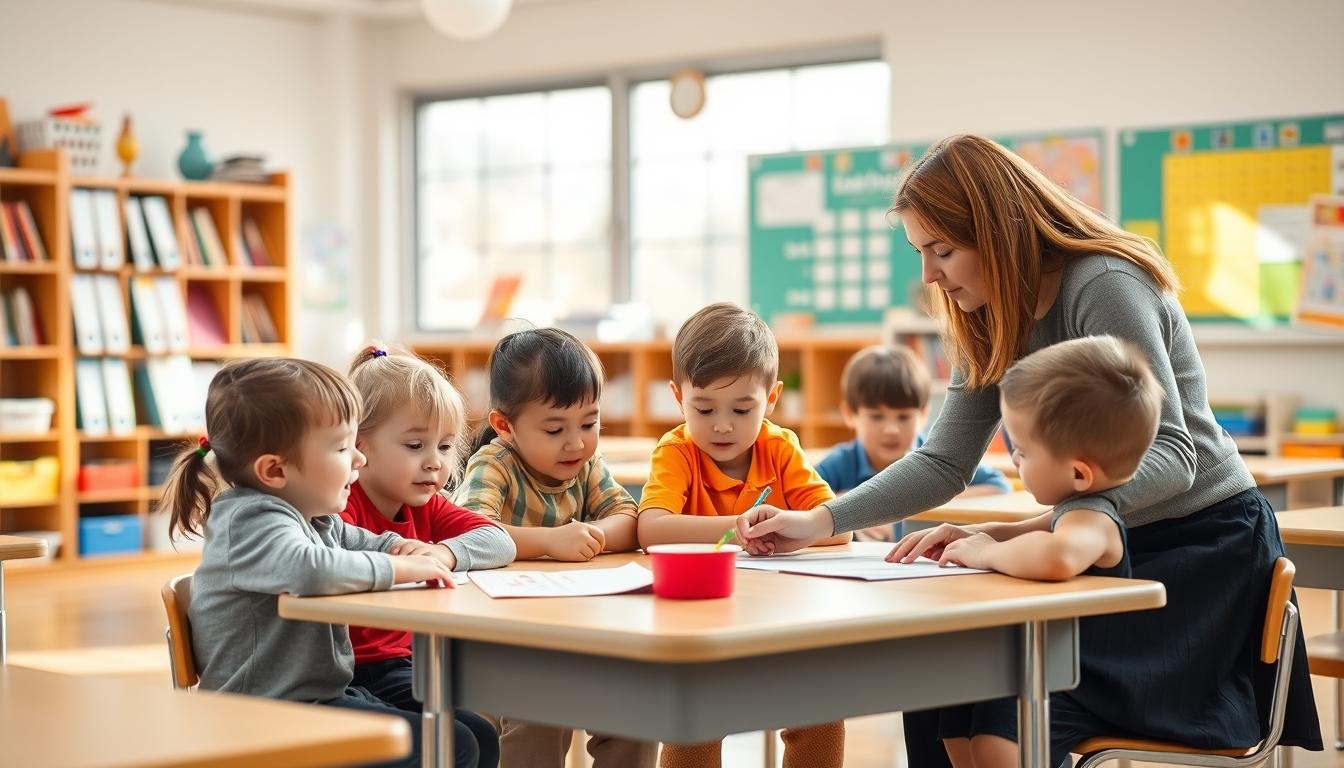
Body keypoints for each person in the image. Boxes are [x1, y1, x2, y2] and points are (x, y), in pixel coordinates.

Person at [737, 134, 1322, 765]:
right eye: (919, 252)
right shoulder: (986, 311)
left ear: (997, 235)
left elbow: (1173, 454)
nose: (929, 274)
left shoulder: (1102, 285)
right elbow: (943, 460)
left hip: (1195, 552)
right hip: (1099, 541)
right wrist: (819, 521)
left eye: (943, 250)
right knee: (941, 670)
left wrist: (1042, 528)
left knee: (1004, 686)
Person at [169, 357, 459, 768]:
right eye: (343, 448)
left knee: (471, 734)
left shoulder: (311, 517)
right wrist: (402, 568)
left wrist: (406, 548)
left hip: (319, 698)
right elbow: (310, 569)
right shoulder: (249, 520)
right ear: (274, 470)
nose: (358, 460)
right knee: (451, 744)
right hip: (267, 717)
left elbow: (366, 542)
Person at [637, 302, 848, 768]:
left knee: (821, 707)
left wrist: (796, 524)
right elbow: (651, 528)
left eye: (742, 408)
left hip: (776, 615)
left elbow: (837, 525)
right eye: (704, 408)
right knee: (697, 717)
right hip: (699, 621)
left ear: (772, 399)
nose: (723, 425)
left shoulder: (779, 446)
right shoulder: (677, 451)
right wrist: (736, 529)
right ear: (677, 397)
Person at [453, 327, 655, 768]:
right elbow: (473, 531)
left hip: (579, 630)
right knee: (540, 713)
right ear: (504, 426)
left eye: (589, 423)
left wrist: (591, 536)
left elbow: (630, 518)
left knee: (638, 711)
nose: (576, 442)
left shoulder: (585, 464)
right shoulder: (494, 463)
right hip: (503, 639)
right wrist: (552, 541)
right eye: (554, 428)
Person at [343, 344, 517, 768]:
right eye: (416, 445)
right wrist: (402, 558)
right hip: (343, 670)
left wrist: (443, 552)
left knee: (479, 733)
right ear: (358, 446)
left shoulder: (425, 506)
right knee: (452, 742)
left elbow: (498, 541)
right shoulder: (341, 505)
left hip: (396, 666)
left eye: (443, 447)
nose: (434, 464)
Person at [815, 344, 1010, 541]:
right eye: (876, 417)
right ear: (850, 414)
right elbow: (797, 499)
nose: (891, 429)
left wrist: (921, 501)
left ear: (924, 415)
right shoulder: (840, 463)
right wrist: (850, 506)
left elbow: (999, 487)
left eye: (903, 417)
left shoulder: (941, 458)